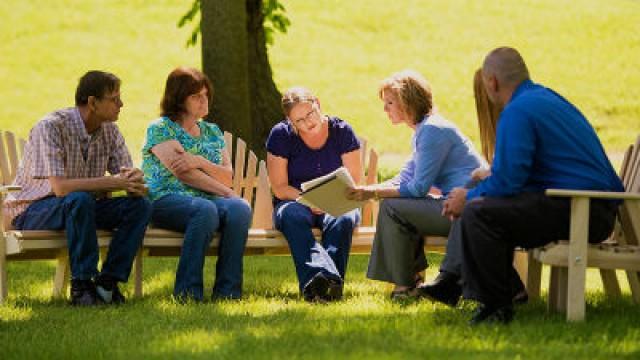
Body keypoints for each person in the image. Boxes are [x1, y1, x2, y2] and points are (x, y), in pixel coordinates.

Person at [442, 47, 623, 324]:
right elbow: (519, 174)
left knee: (478, 213)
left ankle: (495, 306)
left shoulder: (517, 111)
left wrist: (468, 197)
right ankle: (501, 295)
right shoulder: (544, 98)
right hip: (590, 208)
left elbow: (509, 180)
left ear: (491, 82)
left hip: (583, 210)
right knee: (485, 209)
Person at [5, 70, 152, 306]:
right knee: (79, 199)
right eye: (114, 99)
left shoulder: (110, 131)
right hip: (32, 211)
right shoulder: (51, 127)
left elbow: (128, 179)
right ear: (92, 102)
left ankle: (107, 284)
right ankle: (82, 286)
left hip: (81, 208)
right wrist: (114, 182)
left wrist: (136, 182)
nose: (121, 104)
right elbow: (61, 188)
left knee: (140, 207)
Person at [346, 70, 483, 300]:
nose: (385, 109)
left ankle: (405, 285)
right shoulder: (424, 130)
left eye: (390, 102)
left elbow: (418, 188)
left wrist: (373, 193)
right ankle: (411, 281)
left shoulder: (432, 130)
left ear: (407, 102)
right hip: (456, 206)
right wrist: (365, 191)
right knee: (397, 205)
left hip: (466, 210)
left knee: (392, 207)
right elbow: (405, 177)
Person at [413, 68, 530, 307]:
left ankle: (450, 279)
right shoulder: (518, 114)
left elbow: (517, 172)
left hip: (542, 203)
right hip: (529, 198)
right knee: (473, 199)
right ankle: (506, 287)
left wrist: (470, 191)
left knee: (472, 206)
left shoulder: (518, 116)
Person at [141, 67, 251, 302]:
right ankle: (188, 293)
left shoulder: (212, 131)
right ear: (179, 99)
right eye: (196, 96)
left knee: (240, 209)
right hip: (164, 199)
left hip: (207, 198)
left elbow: (227, 175)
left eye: (206, 95)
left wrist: (199, 161)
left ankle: (228, 292)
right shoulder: (161, 128)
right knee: (205, 209)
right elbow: (183, 174)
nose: (204, 101)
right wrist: (225, 191)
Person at [266, 87, 362, 302]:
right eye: (299, 120)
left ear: (318, 103)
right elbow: (280, 187)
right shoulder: (281, 135)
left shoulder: (342, 131)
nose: (308, 122)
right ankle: (330, 284)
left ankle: (319, 289)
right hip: (295, 200)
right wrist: (309, 201)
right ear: (290, 121)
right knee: (291, 216)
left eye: (310, 113)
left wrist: (329, 201)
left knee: (343, 218)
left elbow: (354, 183)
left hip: (339, 199)